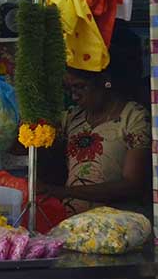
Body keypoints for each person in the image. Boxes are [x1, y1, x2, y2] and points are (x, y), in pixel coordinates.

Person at [40, 65, 151, 216]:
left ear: (105, 81)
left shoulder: (133, 117)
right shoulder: (72, 117)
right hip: (74, 220)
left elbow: (132, 184)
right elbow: (33, 142)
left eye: (80, 87)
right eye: (69, 89)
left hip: (117, 222)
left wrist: (64, 192)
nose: (74, 96)